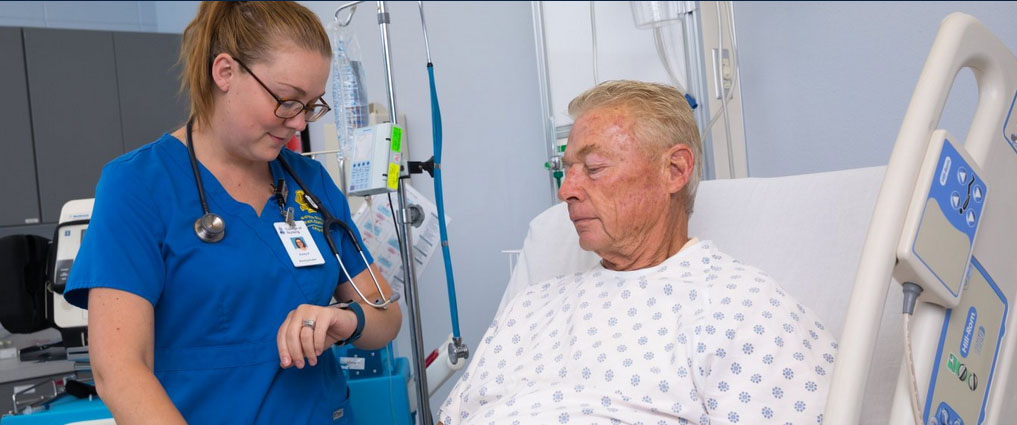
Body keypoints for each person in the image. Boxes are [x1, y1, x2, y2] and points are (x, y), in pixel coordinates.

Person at [63, 2, 401, 424]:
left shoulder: (309, 183)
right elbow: (118, 370)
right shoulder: (139, 187)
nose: (299, 123)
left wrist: (345, 319)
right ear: (225, 72)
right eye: (287, 100)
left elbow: (387, 317)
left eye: (311, 105)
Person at [438, 81, 836, 424]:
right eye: (566, 168)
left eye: (593, 167)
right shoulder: (530, 305)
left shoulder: (741, 308)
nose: (566, 190)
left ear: (675, 170)